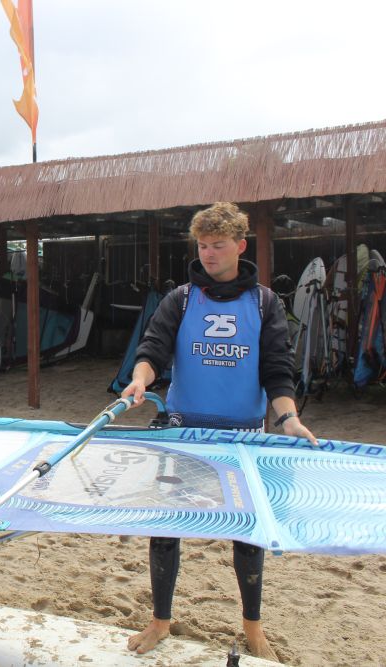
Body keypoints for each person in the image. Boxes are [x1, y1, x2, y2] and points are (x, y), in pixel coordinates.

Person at [121, 202, 318, 661]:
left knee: (247, 534)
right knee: (165, 528)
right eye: (203, 246)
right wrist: (140, 379)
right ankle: (160, 621)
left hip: (243, 437)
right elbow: (153, 349)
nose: (208, 254)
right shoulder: (181, 299)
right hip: (183, 430)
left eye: (218, 245)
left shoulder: (265, 303)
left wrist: (288, 419)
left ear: (240, 246)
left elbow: (278, 370)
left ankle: (253, 627)